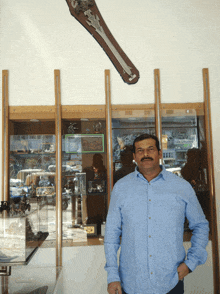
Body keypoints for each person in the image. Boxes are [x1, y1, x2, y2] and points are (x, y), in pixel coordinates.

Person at [104, 134, 209, 294]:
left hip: (170, 282)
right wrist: (112, 276)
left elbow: (201, 225)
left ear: (159, 153)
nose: (145, 154)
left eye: (150, 149)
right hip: (131, 283)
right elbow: (111, 234)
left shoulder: (182, 187)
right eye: (140, 150)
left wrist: (191, 263)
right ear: (134, 156)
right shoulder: (121, 188)